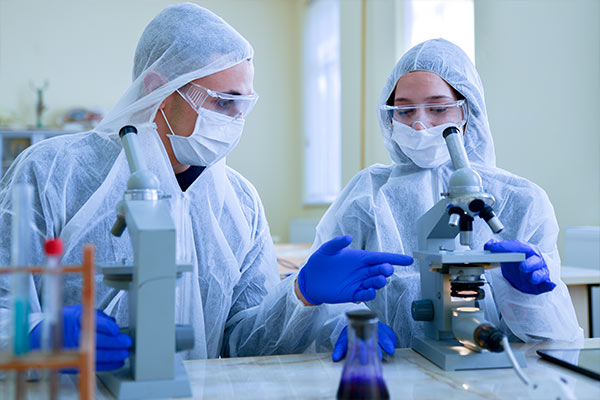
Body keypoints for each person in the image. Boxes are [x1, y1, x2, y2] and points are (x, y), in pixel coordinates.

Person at [0, 3, 413, 371]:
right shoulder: (54, 172)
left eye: (243, 105)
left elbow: (245, 340)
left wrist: (302, 297)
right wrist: (37, 334)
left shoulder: (239, 202)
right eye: (222, 101)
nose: (234, 120)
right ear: (158, 89)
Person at [315, 38, 583, 356]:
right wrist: (349, 326)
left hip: (494, 374)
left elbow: (559, 339)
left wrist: (530, 298)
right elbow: (320, 297)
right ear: (388, 116)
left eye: (439, 108)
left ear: (467, 111)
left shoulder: (522, 200)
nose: (419, 123)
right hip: (389, 369)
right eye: (404, 110)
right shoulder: (366, 195)